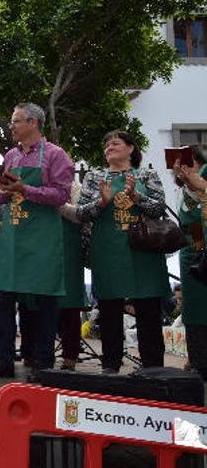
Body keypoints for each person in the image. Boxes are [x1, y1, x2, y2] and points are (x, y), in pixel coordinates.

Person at [0, 102, 74, 381]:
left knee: (45, 300)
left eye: (16, 121)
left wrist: (25, 188)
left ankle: (43, 362)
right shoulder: (10, 156)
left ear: (34, 123)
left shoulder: (56, 156)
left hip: (41, 238)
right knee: (3, 299)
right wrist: (4, 189)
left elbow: (61, 196)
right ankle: (4, 360)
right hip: (12, 236)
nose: (12, 126)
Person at [77, 130, 169, 373]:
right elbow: (81, 213)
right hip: (108, 250)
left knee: (149, 311)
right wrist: (102, 201)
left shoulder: (146, 173)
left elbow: (159, 207)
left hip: (144, 251)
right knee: (109, 312)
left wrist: (136, 195)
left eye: (115, 143)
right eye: (106, 144)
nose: (109, 147)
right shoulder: (95, 176)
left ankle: (153, 369)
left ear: (130, 149)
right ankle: (111, 365)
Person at [174, 146, 207, 378]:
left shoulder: (203, 176)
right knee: (193, 311)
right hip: (193, 254)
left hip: (201, 251)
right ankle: (198, 360)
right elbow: (192, 224)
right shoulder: (186, 187)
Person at [56, 181, 89, 371]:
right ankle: (33, 353)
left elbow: (79, 214)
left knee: (69, 305)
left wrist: (52, 201)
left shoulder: (73, 187)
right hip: (41, 246)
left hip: (68, 247)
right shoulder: (33, 185)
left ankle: (70, 354)